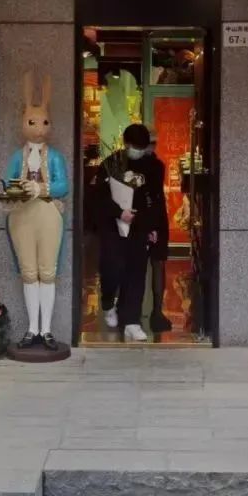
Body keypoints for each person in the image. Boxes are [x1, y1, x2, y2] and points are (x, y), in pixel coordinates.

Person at [91, 123, 166, 342]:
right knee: (113, 267)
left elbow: (156, 199)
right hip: (113, 226)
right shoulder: (111, 163)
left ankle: (131, 321)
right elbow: (98, 195)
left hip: (139, 225)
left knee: (136, 271)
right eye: (135, 146)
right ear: (125, 144)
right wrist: (118, 212)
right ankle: (107, 302)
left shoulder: (154, 167)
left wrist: (153, 227)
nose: (138, 151)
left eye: (142, 147)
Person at [146, 133, 172, 332]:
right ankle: (156, 311)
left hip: (147, 220)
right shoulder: (157, 166)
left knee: (151, 265)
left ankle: (151, 311)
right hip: (156, 219)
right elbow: (154, 197)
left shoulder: (151, 166)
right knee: (157, 265)